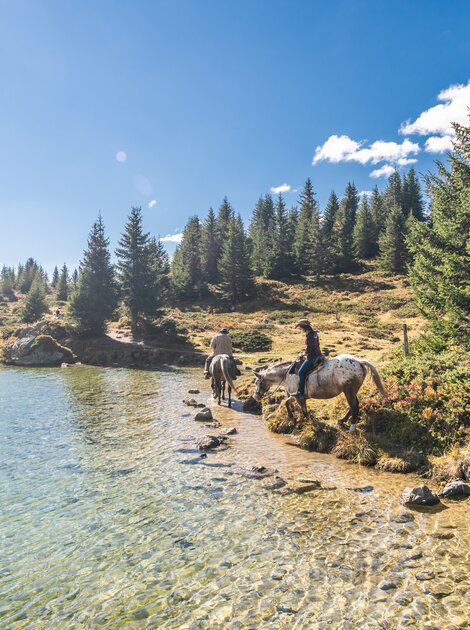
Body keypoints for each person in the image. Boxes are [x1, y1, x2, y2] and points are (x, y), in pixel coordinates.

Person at [293, 319, 322, 401]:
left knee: (301, 372)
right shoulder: (314, 333)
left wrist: (301, 354)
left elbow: (309, 350)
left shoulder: (309, 336)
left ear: (304, 327)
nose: (300, 330)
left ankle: (301, 393)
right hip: (318, 355)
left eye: (301, 328)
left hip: (312, 357)